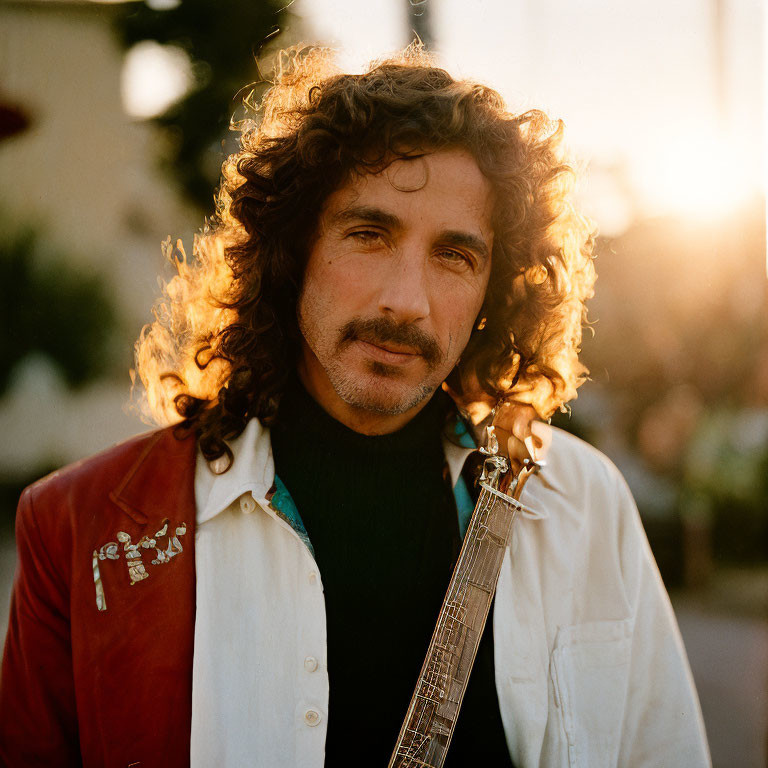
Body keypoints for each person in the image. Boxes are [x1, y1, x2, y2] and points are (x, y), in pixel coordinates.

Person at [0, 46, 710, 767]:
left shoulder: (582, 505)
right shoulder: (81, 529)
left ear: (494, 295)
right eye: (369, 235)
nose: (405, 299)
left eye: (454, 256)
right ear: (291, 252)